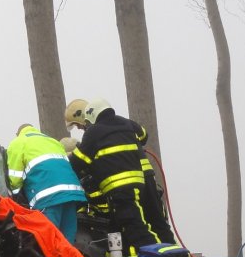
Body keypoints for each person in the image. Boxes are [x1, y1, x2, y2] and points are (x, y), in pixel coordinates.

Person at [65, 99, 174, 244]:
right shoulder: (125, 124)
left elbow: (79, 161)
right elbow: (143, 136)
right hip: (144, 177)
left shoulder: (93, 133)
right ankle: (173, 254)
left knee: (133, 223)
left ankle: (156, 255)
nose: (79, 128)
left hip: (123, 183)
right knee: (156, 219)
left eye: (77, 124)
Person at [6, 124, 88, 243]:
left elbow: (14, 178)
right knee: (67, 244)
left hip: (48, 197)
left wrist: (15, 197)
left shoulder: (18, 142)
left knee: (49, 244)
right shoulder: (52, 141)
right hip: (72, 194)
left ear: (18, 133)